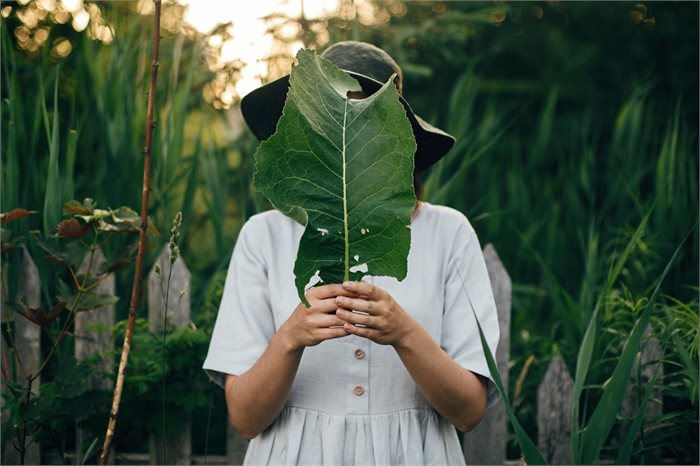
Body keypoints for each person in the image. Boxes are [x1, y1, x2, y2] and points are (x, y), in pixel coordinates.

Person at [203, 41, 500, 465]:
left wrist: (404, 334)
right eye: (329, 118)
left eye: (367, 121)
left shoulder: (448, 232)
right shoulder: (263, 236)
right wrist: (292, 337)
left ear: (398, 135)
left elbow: (469, 412)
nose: (346, 137)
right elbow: (246, 420)